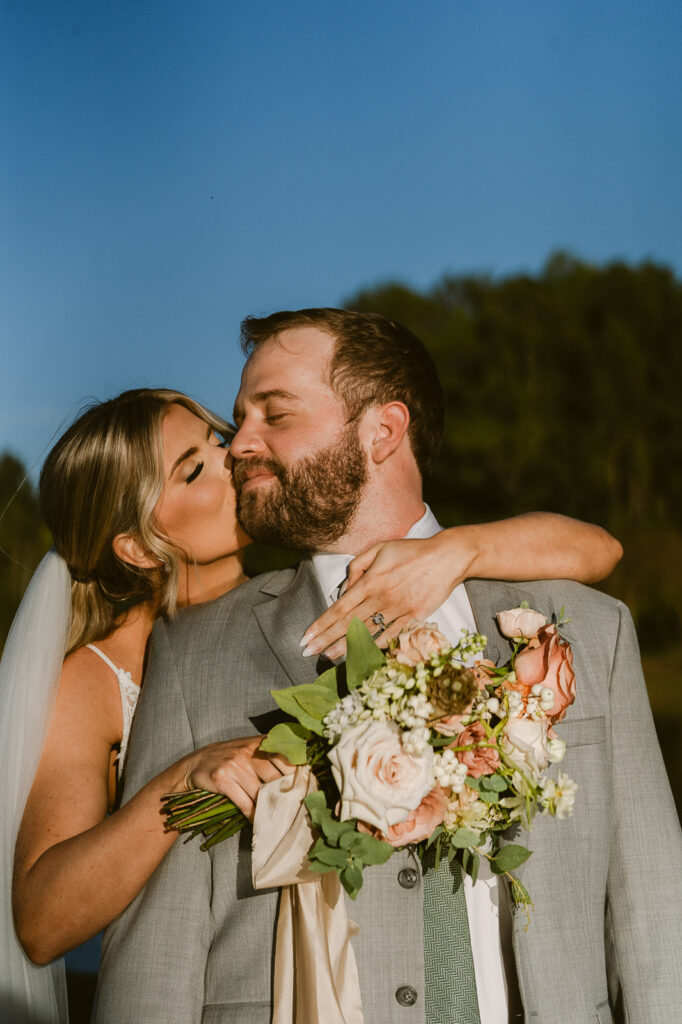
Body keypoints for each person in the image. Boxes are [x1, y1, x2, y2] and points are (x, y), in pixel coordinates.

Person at [94, 309, 682, 1024]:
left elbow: (658, 920)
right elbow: (155, 958)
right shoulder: (194, 653)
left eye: (274, 413)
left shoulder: (589, 628)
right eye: (240, 417)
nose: (239, 443)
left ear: (383, 430)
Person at [0, 387, 621, 1024]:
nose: (231, 459)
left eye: (217, 440)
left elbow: (599, 550)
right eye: (193, 468)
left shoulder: (308, 609)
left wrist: (455, 549)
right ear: (135, 546)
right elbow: (44, 919)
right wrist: (183, 777)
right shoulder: (100, 677)